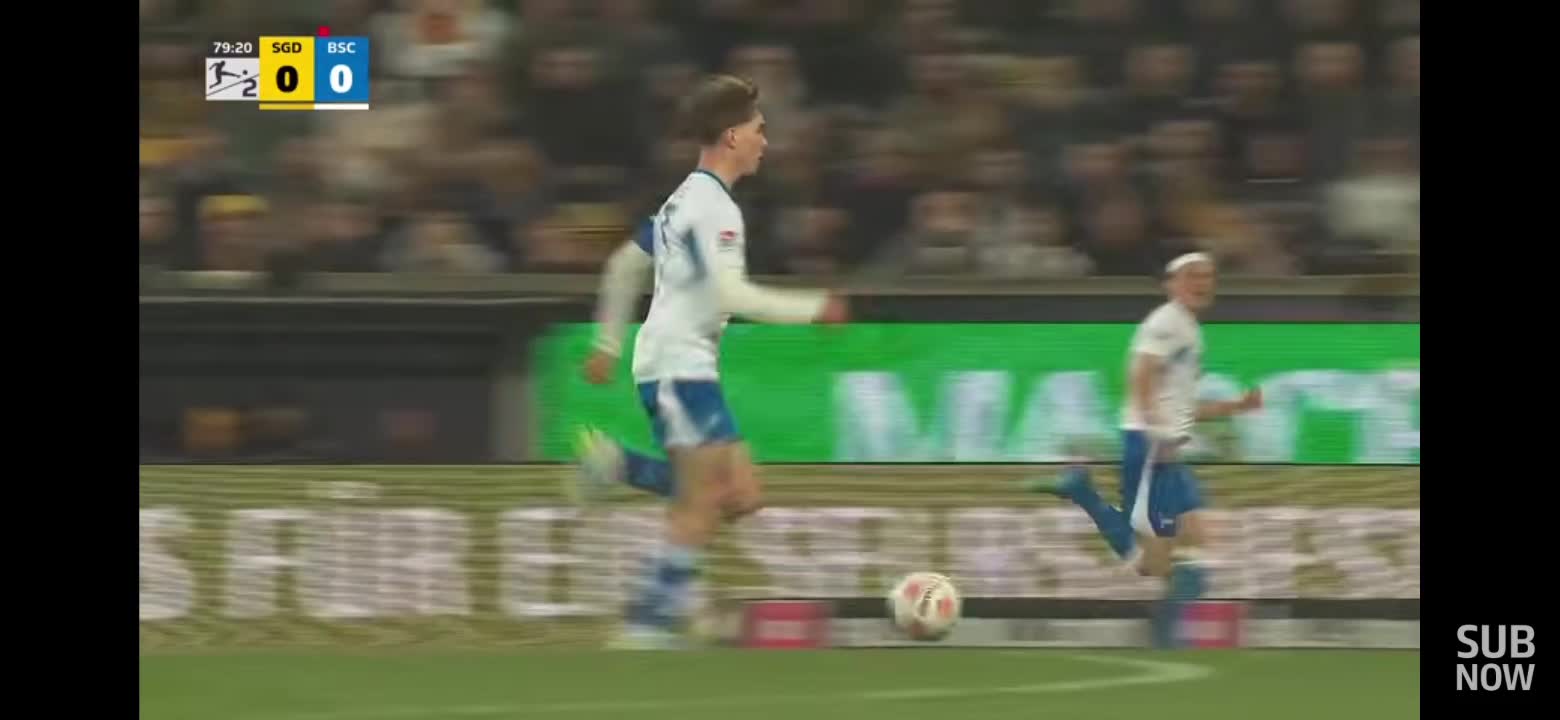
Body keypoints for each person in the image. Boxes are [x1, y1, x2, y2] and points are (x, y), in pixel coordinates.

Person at [580, 74, 848, 649]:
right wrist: (813, 308)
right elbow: (733, 295)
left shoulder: (684, 199)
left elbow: (623, 266)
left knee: (741, 495)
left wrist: (607, 344)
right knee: (701, 500)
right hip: (679, 367)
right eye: (758, 130)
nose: (764, 141)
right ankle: (646, 626)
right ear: (731, 136)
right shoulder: (716, 209)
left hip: (682, 364)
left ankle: (619, 466)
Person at [1025, 252, 1261, 648]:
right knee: (1155, 563)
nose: (1202, 283)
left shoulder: (1188, 329)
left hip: (1166, 445)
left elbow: (1181, 405)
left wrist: (1234, 407)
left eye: (1207, 276)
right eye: (1191, 276)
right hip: (1150, 444)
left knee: (1194, 545)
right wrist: (1155, 429)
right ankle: (1084, 494)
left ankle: (1171, 638)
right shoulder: (1167, 323)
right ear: (1171, 284)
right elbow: (1141, 372)